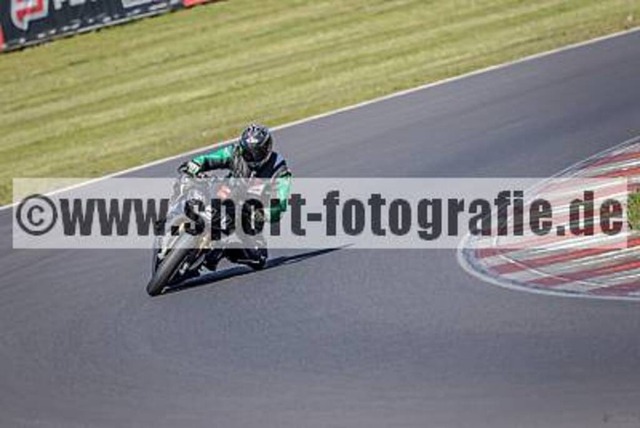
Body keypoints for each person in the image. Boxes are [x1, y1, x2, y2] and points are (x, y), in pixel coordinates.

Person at [180, 123, 292, 270]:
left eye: (257, 153)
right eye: (248, 153)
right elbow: (212, 158)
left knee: (259, 259)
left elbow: (280, 203)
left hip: (249, 213)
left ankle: (220, 250)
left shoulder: (279, 169)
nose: (252, 157)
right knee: (192, 181)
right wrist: (196, 163)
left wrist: (264, 213)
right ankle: (177, 220)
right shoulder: (235, 152)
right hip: (225, 195)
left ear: (267, 149)